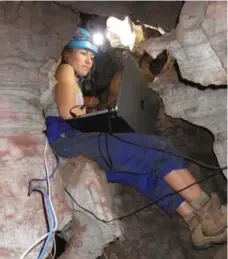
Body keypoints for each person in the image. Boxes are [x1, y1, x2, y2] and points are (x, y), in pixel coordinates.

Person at [44, 27, 227, 249]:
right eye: (83, 53)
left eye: (92, 56)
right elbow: (67, 113)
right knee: (160, 148)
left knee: (146, 174)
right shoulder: (64, 70)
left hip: (70, 143)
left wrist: (94, 108)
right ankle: (209, 211)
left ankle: (196, 225)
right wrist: (90, 114)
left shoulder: (73, 81)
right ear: (66, 54)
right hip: (67, 138)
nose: (89, 60)